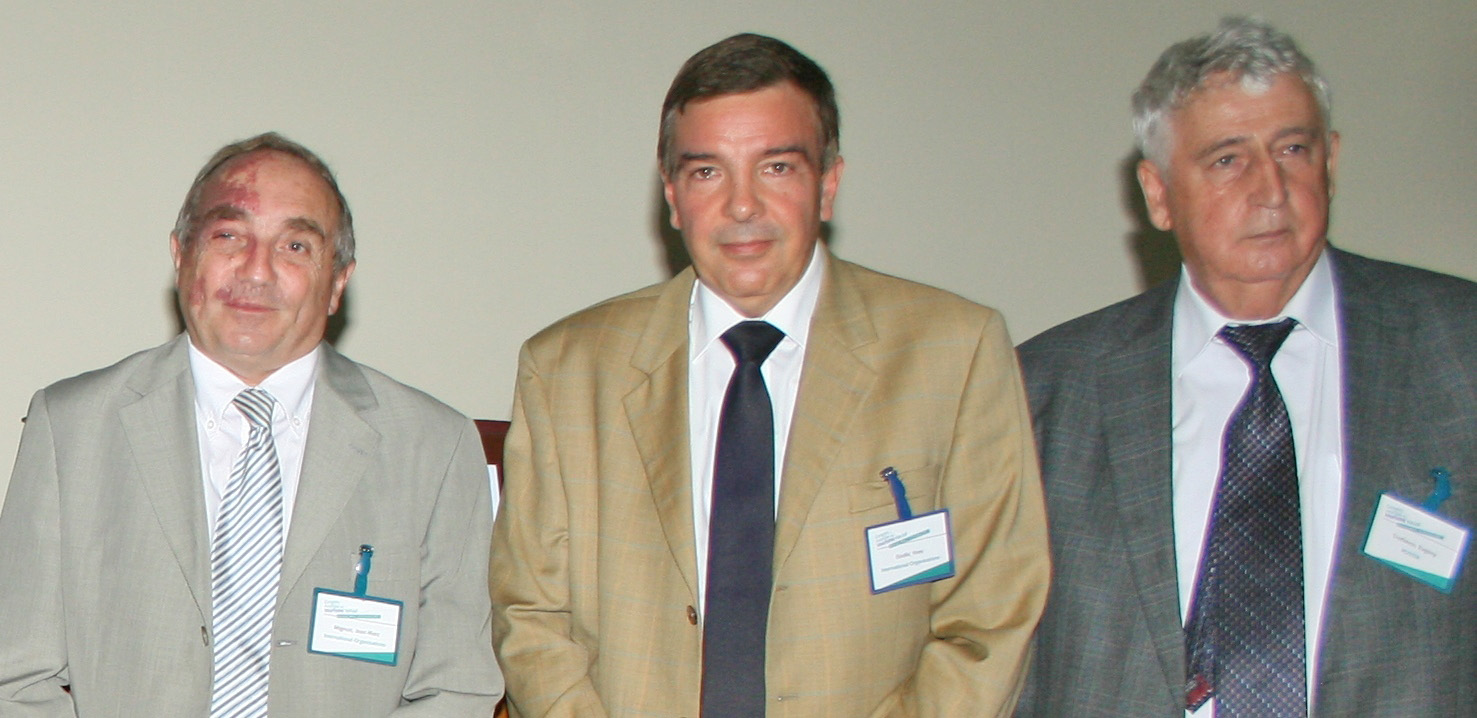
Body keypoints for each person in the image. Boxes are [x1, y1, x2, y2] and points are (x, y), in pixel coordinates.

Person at [490, 32, 1048, 717]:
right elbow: (531, 616)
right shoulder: (567, 371)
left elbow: (989, 619)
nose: (742, 205)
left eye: (776, 167)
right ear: (671, 195)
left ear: (828, 184)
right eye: (707, 172)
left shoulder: (952, 352)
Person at [1016, 16, 1476, 717]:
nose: (1270, 188)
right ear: (1158, 193)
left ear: (1331, 161)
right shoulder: (1046, 388)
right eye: (1227, 159)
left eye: (1293, 149)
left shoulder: (1459, 347)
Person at [0, 133, 503, 716]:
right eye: (229, 236)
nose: (257, 270)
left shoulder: (433, 447)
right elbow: (15, 676)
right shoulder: (72, 429)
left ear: (338, 282)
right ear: (181, 255)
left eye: (295, 245)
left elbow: (457, 687)